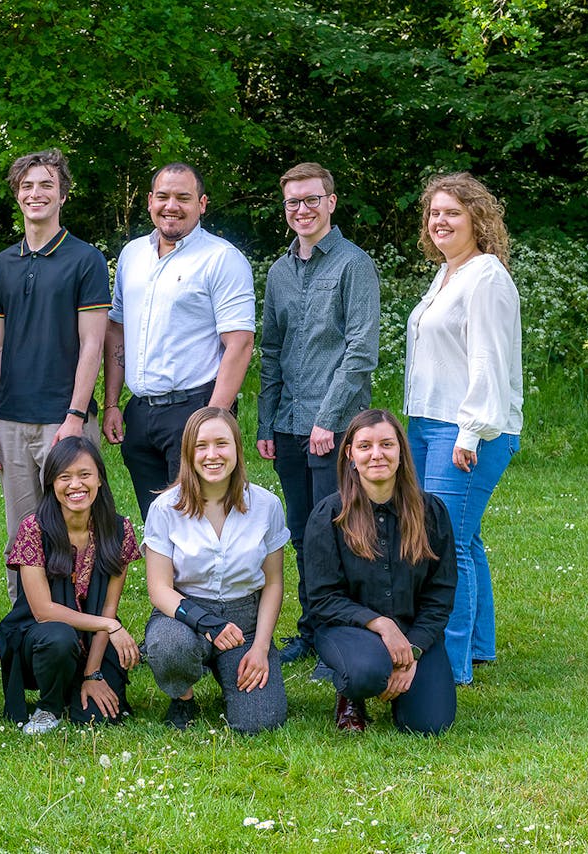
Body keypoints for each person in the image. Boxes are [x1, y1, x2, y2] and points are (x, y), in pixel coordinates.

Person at [256, 163, 381, 666]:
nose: (302, 210)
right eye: (292, 203)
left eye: (311, 200)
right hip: (287, 426)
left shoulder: (354, 265)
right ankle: (310, 630)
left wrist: (327, 421)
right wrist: (266, 424)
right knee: (304, 533)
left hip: (337, 427)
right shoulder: (279, 272)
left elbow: (360, 352)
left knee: (342, 533)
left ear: (331, 201)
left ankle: (345, 634)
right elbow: (271, 351)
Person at [405, 172, 522, 686]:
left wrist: (469, 433)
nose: (440, 221)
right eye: (434, 213)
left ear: (478, 217)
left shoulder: (486, 276)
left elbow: (488, 362)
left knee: (443, 543)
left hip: (465, 427)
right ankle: (478, 647)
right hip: (429, 422)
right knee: (464, 538)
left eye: (452, 212)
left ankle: (448, 668)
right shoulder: (448, 274)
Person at [0, 149, 110, 603]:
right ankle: (22, 633)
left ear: (63, 195)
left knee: (77, 526)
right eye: (27, 186)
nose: (36, 193)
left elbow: (93, 343)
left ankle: (82, 627)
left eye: (46, 185)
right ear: (17, 195)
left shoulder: (85, 259)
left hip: (64, 419)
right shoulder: (2, 265)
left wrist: (75, 416)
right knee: (23, 534)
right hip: (12, 420)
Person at [104, 163, 256, 521]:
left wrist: (212, 420)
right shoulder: (132, 255)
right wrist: (112, 402)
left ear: (202, 204)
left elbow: (240, 344)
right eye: (163, 196)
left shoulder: (222, 259)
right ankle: (164, 580)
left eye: (183, 198)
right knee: (157, 522)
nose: (171, 205)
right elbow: (116, 329)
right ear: (149, 202)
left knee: (202, 521)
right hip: (140, 414)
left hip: (195, 407)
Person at [303, 410, 458, 734]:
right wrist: (381, 624)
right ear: (350, 454)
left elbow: (440, 593)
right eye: (365, 446)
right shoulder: (330, 515)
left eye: (387, 444)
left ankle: (401, 684)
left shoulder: (431, 512)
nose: (377, 454)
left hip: (414, 631)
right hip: (349, 631)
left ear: (401, 451)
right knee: (365, 671)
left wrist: (412, 650)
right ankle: (351, 694)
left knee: (429, 725)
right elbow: (323, 599)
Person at [143, 407, 289, 734]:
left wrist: (261, 647)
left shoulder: (267, 506)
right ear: (188, 453)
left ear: (237, 448)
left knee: (260, 724)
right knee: (169, 646)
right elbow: (159, 589)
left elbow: (274, 583)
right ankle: (183, 696)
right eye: (201, 446)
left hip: (244, 621)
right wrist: (206, 623)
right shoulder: (165, 509)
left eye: (222, 444)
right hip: (184, 615)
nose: (212, 455)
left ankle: (232, 675)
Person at [0, 437, 142, 735]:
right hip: (39, 639)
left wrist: (93, 672)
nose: (75, 485)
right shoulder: (34, 528)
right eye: (65, 477)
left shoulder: (119, 530)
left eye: (85, 475)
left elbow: (108, 609)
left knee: (97, 718)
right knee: (59, 637)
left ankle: (78, 683)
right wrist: (110, 625)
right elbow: (42, 611)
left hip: (94, 638)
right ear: (51, 483)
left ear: (100, 479)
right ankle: (48, 705)